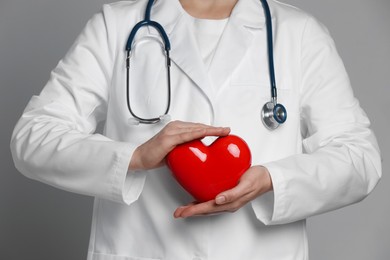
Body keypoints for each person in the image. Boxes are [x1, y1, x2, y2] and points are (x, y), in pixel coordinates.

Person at [10, 0, 382, 259]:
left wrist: (273, 179)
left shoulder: (298, 34)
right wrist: (135, 158)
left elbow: (359, 157)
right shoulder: (116, 26)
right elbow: (32, 137)